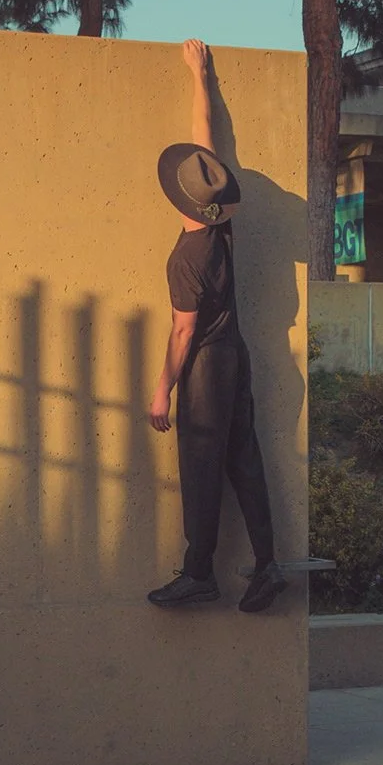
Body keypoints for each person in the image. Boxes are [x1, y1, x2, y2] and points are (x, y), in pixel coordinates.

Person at [146, 40, 285, 613]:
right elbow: (206, 143)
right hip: (237, 353)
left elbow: (182, 334)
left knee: (201, 465)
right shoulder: (218, 227)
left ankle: (199, 572)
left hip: (205, 363)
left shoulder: (186, 259)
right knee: (242, 457)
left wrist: (163, 388)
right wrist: (199, 75)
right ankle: (267, 564)